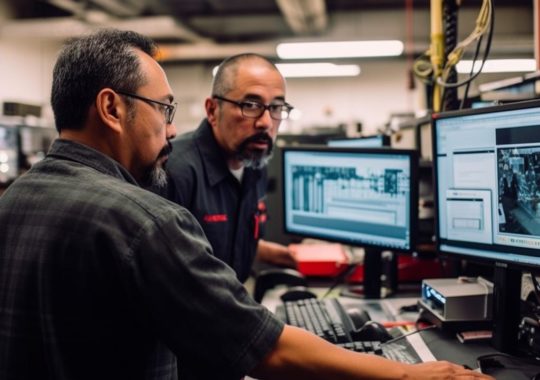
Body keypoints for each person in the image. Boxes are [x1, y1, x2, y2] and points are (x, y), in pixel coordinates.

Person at [0, 28, 492, 380]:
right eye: (164, 109)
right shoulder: (145, 218)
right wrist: (409, 376)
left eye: (276, 109)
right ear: (111, 109)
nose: (171, 127)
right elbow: (264, 351)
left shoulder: (14, 199)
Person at [161, 53, 296, 283]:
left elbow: (236, 239)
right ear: (213, 110)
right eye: (250, 105)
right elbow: (169, 278)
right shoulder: (175, 171)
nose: (265, 122)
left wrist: (291, 257)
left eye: (276, 107)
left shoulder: (254, 162)